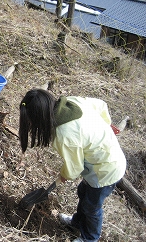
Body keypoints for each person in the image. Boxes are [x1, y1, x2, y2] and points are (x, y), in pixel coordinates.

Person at [19, 89, 126, 242]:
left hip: (106, 169)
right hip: (102, 157)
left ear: (40, 118)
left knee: (92, 206)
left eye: (31, 121)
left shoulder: (64, 134)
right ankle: (77, 223)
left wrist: (65, 174)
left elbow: (74, 167)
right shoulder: (71, 102)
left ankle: (90, 238)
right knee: (83, 192)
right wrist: (106, 124)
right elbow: (101, 105)